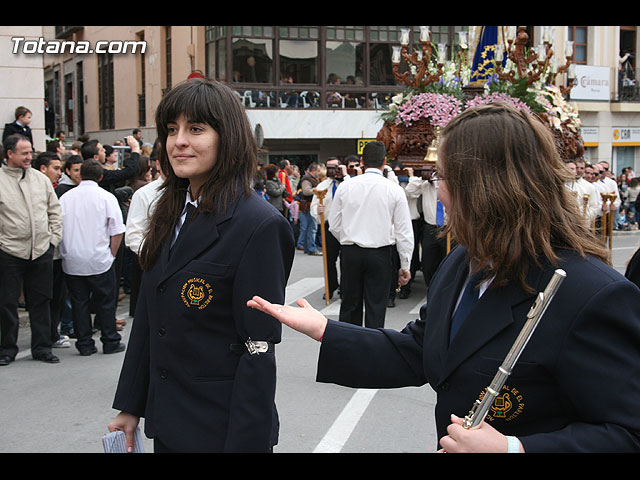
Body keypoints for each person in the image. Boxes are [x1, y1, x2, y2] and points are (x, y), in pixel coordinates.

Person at [248, 102, 640, 453]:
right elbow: (420, 352)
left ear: (485, 188)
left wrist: (513, 449)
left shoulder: (592, 293)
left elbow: (627, 433)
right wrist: (325, 330)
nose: (440, 194)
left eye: (443, 178)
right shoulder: (462, 262)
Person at [108, 78, 295, 453]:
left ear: (227, 137)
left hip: (221, 428)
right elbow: (148, 316)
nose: (179, 141)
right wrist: (131, 405)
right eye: (171, 130)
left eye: (196, 129)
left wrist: (246, 444)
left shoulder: (258, 225)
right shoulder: (170, 212)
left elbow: (257, 348)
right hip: (168, 421)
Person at [328, 141, 413, 328]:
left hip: (350, 252)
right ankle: (373, 352)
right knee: (376, 307)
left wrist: (348, 238)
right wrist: (405, 265)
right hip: (380, 253)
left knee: (349, 305)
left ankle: (348, 350)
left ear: (362, 161)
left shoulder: (346, 186)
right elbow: (404, 231)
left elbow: (333, 224)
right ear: (384, 161)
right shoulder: (394, 189)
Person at [0, 134, 63, 365]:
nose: (29, 157)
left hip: (41, 251)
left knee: (42, 301)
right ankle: (7, 348)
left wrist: (53, 240)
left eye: (30, 152)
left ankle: (42, 347)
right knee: (7, 302)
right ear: (9, 154)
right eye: (24, 153)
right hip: (9, 252)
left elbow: (54, 211)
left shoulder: (40, 179)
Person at [59, 159, 126, 356]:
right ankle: (110, 340)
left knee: (79, 303)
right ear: (101, 176)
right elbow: (117, 231)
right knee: (105, 302)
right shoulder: (106, 198)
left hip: (72, 259)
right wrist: (112, 254)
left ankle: (85, 343)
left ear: (80, 175)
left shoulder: (66, 198)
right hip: (99, 258)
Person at [310, 157, 349, 300]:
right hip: (328, 226)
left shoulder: (348, 184)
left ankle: (345, 289)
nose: (332, 170)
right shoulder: (322, 186)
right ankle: (331, 285)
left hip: (346, 228)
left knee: (346, 260)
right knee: (329, 259)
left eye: (335, 167)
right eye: (329, 167)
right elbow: (313, 206)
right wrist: (317, 210)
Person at [297, 163, 322, 255]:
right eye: (318, 171)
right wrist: (317, 190)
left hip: (310, 205)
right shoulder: (306, 179)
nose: (319, 173)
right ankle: (311, 248)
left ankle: (308, 248)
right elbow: (306, 191)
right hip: (308, 205)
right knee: (312, 228)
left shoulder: (313, 179)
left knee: (310, 227)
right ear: (313, 170)